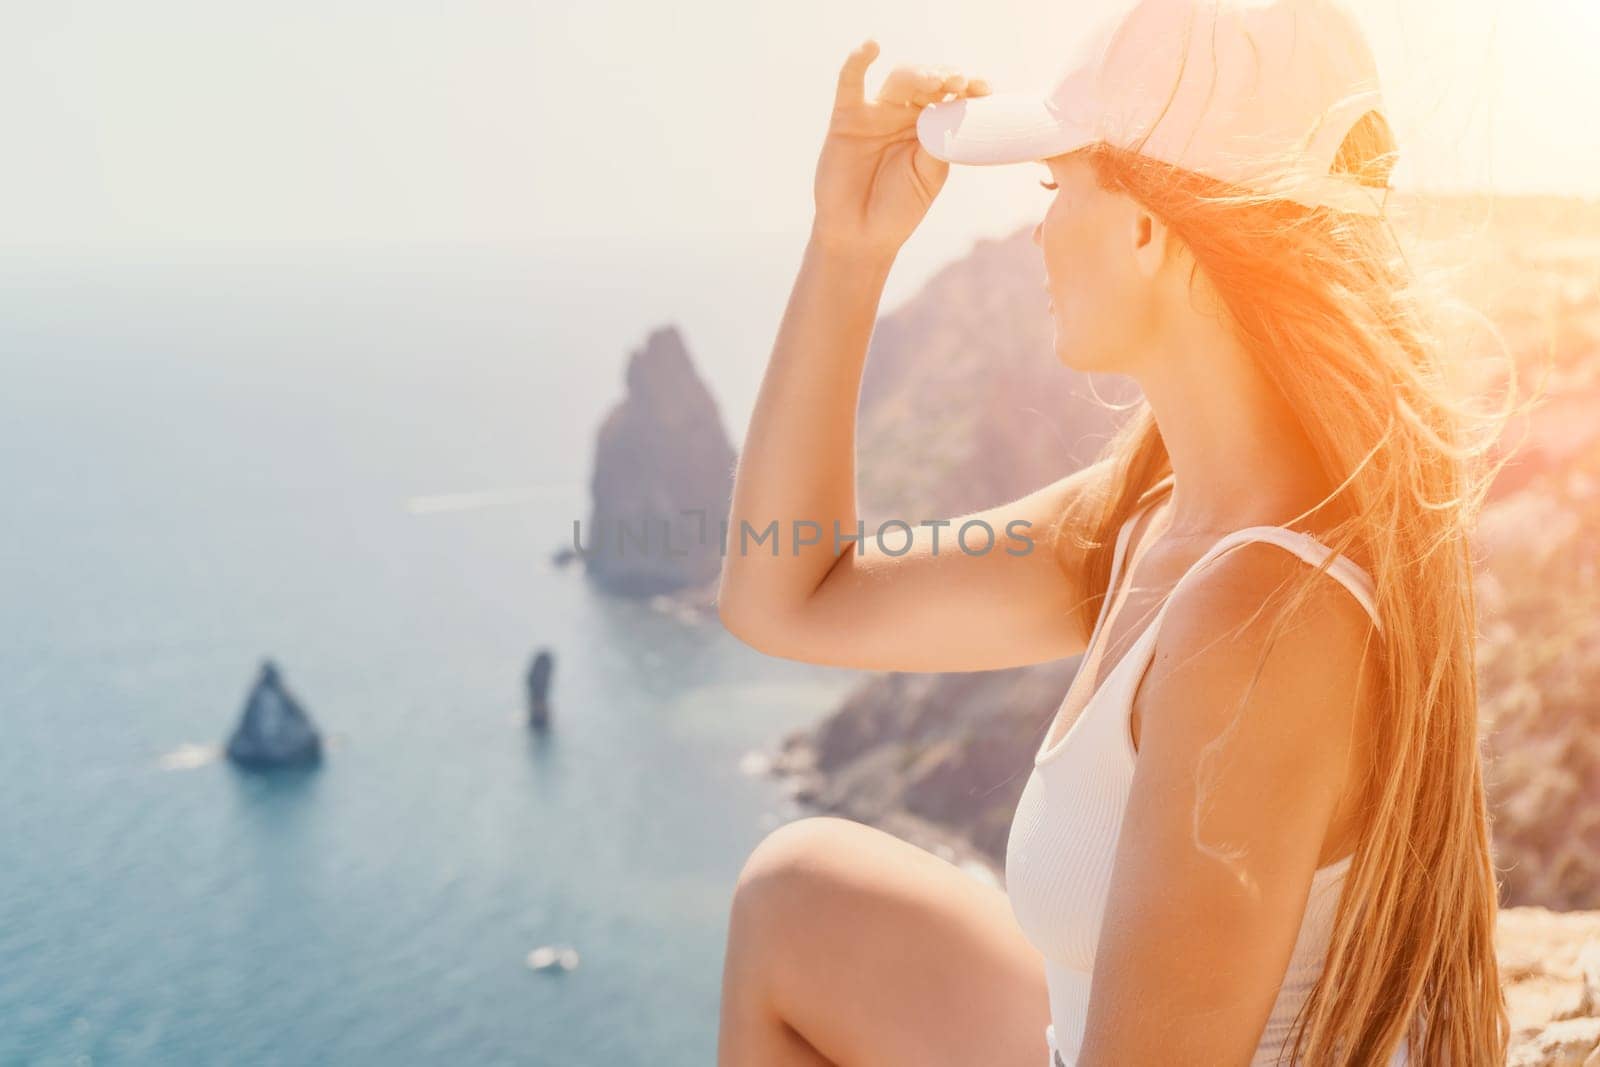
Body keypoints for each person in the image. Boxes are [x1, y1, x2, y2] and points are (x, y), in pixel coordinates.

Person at [714, 0, 1513, 1062]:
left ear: (1149, 226)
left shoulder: (1260, 620)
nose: (1036, 230)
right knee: (797, 898)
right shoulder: (1158, 515)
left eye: (1055, 185)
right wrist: (848, 248)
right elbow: (786, 591)